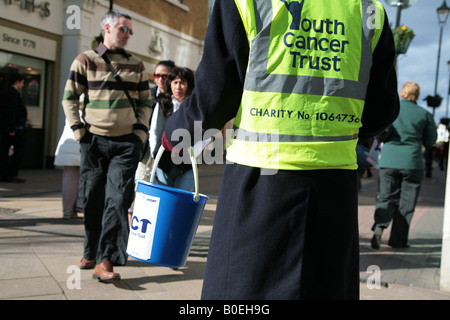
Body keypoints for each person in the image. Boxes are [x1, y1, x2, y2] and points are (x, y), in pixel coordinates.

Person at [161, 0, 399, 299]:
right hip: (333, 183)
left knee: (241, 292)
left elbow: (216, 94)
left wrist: (174, 136)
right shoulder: (368, 9)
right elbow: (383, 108)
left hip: (259, 178)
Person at [62, 10, 152, 282]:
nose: (127, 35)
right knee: (92, 200)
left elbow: (146, 103)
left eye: (130, 31)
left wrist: (138, 135)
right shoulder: (85, 60)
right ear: (107, 28)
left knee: (117, 200)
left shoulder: (136, 65)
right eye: (124, 29)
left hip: (126, 144)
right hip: (94, 142)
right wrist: (80, 133)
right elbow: (69, 98)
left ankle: (106, 261)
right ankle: (90, 252)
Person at [371, 82, 437, 250]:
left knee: (386, 196)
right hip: (412, 162)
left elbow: (379, 134)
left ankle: (379, 228)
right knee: (406, 203)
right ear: (418, 95)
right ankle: (398, 240)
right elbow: (430, 141)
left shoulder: (392, 111)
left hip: (389, 161)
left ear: (401, 94)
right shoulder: (424, 114)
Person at [150, 66, 196, 191]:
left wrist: (194, 154)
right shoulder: (162, 104)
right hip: (163, 162)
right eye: (175, 82)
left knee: (181, 201)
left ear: (189, 85)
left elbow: (204, 135)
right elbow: (155, 130)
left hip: (187, 165)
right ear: (170, 84)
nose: (178, 87)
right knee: (164, 199)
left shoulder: (194, 108)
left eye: (182, 83)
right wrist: (154, 154)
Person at [54, 97, 84, 219]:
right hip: (82, 144)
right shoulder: (90, 110)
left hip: (68, 145)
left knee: (69, 177)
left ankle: (67, 211)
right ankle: (80, 204)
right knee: (86, 176)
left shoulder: (71, 107)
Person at [0, 73, 27, 183]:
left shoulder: (7, 93)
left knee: (4, 151)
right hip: (13, 129)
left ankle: (5, 173)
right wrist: (11, 128)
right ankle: (10, 174)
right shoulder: (13, 94)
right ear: (17, 82)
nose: (23, 85)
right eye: (22, 82)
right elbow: (11, 112)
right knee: (17, 151)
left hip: (9, 128)